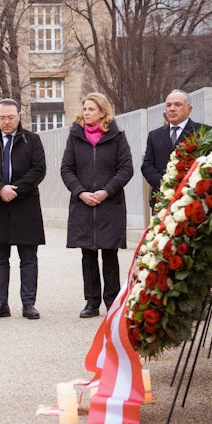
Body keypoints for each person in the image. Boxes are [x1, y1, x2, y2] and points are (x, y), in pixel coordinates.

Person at [60, 93, 134, 318]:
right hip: (83, 205)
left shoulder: (117, 136)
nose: (86, 112)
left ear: (103, 111)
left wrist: (106, 191)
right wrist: (80, 192)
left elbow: (126, 168)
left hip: (109, 205)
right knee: (88, 255)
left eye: (91, 109)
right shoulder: (75, 136)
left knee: (110, 255)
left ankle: (112, 301)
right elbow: (66, 169)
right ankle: (91, 302)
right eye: (85, 108)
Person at [0, 99, 46, 320]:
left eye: (11, 117)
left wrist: (16, 189)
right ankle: (0, 303)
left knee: (28, 256)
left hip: (25, 203)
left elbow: (39, 169)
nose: (6, 122)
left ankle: (28, 303)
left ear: (19, 116)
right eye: (2, 118)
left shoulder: (32, 140)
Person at [141, 89, 208, 207]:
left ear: (189, 109)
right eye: (168, 105)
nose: (172, 108)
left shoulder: (203, 132)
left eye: (178, 105)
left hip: (193, 199)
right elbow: (147, 166)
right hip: (162, 199)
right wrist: (165, 184)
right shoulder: (154, 135)